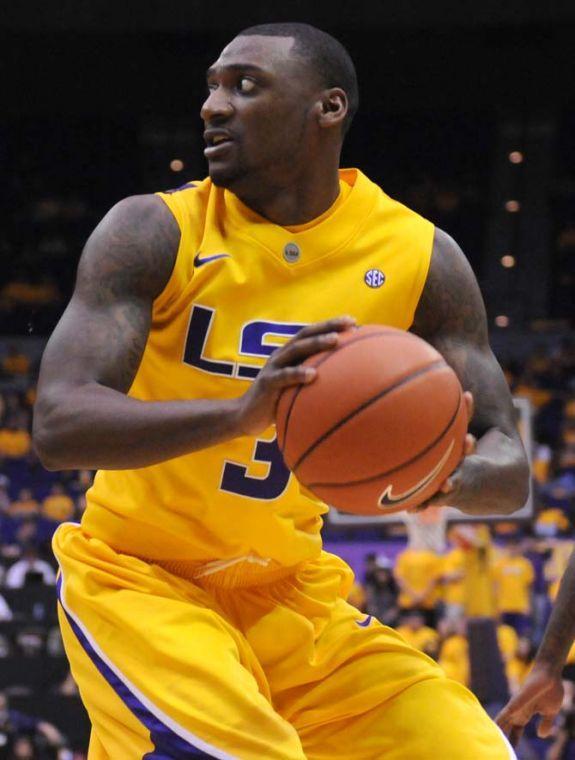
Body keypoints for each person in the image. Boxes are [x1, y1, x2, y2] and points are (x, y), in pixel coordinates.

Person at [33, 22, 528, 759]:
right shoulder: (152, 230)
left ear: (326, 108)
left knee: (469, 749)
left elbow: (508, 468)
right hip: (141, 583)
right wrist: (238, 414)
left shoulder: (419, 256)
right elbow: (59, 425)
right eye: (209, 87)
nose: (213, 106)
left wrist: (443, 475)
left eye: (243, 84)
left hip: (294, 598)